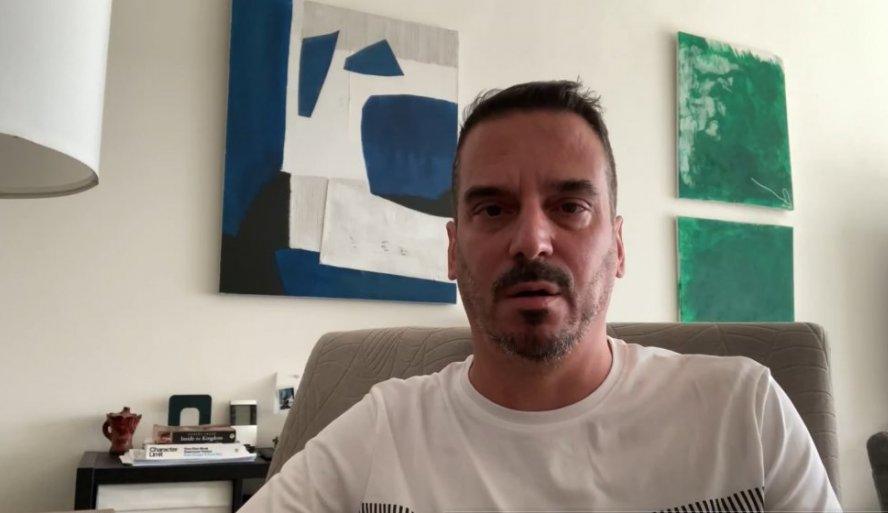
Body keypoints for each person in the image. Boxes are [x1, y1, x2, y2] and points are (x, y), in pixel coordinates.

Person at [240, 81, 841, 512]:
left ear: (619, 246)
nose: (531, 240)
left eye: (570, 206)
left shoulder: (745, 413)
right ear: (452, 249)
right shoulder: (383, 432)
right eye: (492, 209)